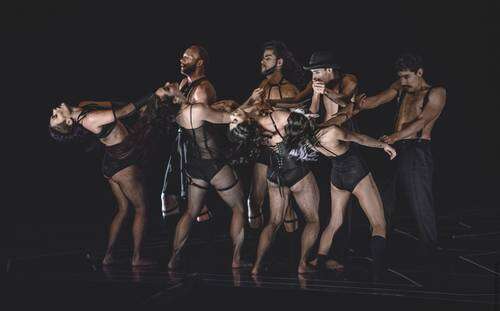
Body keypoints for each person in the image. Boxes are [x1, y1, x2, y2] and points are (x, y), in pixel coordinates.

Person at [357, 53, 446, 258]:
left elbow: (422, 121)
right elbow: (378, 100)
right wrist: (358, 102)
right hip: (395, 146)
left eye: (407, 76)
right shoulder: (401, 86)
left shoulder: (436, 92)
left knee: (420, 200)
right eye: (401, 77)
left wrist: (394, 137)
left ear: (420, 72)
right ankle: (380, 244)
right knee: (384, 197)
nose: (403, 81)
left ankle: (430, 248)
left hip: (417, 148)